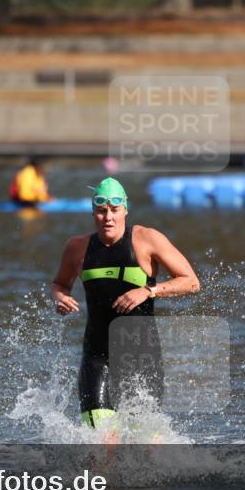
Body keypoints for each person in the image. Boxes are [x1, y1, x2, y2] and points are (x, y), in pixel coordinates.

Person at [51, 178, 200, 430]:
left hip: (141, 359)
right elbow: (59, 284)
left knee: (145, 448)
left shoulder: (147, 239)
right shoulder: (76, 248)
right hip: (96, 358)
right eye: (101, 211)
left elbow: (191, 282)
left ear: (125, 210)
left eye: (114, 210)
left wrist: (148, 290)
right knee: (102, 444)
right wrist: (60, 297)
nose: (107, 217)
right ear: (93, 212)